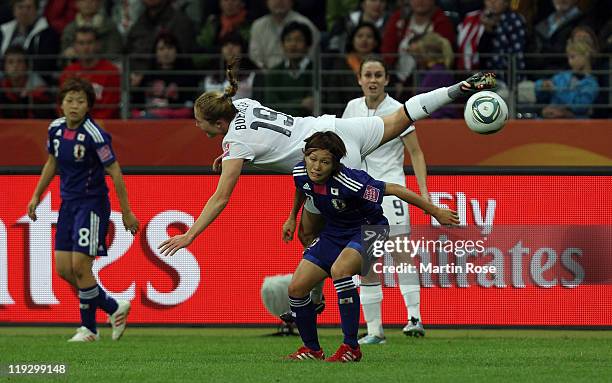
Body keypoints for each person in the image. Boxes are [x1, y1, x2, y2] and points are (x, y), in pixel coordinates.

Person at [156, 59, 494, 258]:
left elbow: (221, 198)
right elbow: (250, 139)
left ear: (217, 123)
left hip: (326, 160)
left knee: (312, 235)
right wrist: (228, 155)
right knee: (402, 116)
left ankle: (330, 291)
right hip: (333, 126)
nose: (195, 124)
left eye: (199, 120)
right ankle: (458, 88)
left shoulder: (236, 142)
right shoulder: (242, 105)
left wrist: (191, 235)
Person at [281, 131, 459, 361]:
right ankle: (312, 350)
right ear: (305, 156)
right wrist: (292, 217)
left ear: (335, 164)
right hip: (335, 232)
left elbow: (395, 189)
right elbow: (303, 188)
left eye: (324, 162)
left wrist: (435, 211)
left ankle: (351, 348)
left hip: (372, 230)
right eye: (312, 159)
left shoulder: (352, 182)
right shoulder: (300, 172)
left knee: (340, 271)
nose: (316, 167)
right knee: (296, 288)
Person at [27, 77, 139, 342]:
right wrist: (36, 195)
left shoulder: (94, 134)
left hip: (91, 204)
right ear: (61, 104)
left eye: (80, 101)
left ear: (89, 106)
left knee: (80, 267)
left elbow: (114, 170)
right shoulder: (54, 129)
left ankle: (88, 329)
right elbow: (52, 163)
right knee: (63, 269)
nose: (74, 106)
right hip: (67, 204)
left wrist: (126, 211)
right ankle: (113, 307)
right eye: (69, 100)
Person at [339, 56, 430, 344]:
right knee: (367, 262)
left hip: (392, 190)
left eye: (379, 75)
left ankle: (414, 318)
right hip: (361, 195)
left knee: (402, 254)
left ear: (387, 80)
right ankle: (375, 330)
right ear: (360, 79)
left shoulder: (398, 111)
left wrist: (423, 192)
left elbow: (415, 152)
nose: (373, 80)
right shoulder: (351, 108)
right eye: (368, 74)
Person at [59, 26, 121, 119]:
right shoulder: (68, 73)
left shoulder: (111, 72)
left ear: (98, 45)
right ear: (75, 46)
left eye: (89, 43)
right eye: (81, 43)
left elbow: (110, 108)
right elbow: (62, 105)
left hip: (102, 127)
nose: (85, 47)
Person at [534, 39, 599, 119]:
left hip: (576, 125)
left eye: (573, 57)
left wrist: (556, 90)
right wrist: (542, 85)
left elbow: (580, 107)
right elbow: (540, 92)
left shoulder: (591, 83)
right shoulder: (562, 76)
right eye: (568, 58)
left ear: (586, 56)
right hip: (550, 120)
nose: (570, 62)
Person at [0, 45, 53, 118]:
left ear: (27, 65)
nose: (15, 66)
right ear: (4, 67)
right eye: (10, 62)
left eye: (20, 62)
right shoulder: (2, 86)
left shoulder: (39, 89)